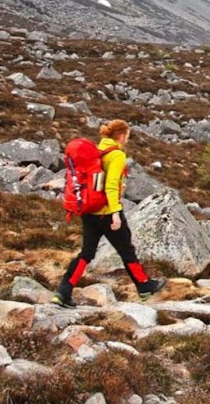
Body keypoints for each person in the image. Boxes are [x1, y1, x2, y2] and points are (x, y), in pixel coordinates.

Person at [54, 119, 166, 306]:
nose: (127, 140)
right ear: (121, 136)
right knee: (127, 250)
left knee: (86, 253)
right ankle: (144, 286)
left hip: (89, 212)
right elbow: (111, 186)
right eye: (127, 137)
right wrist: (115, 212)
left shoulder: (96, 151)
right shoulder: (116, 156)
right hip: (107, 212)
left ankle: (63, 291)